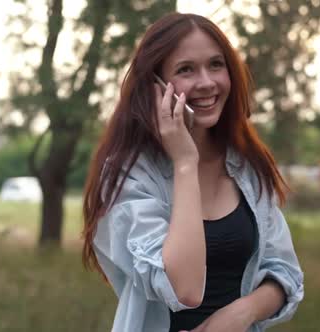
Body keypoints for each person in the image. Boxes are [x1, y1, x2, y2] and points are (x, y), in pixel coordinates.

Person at [81, 12, 303, 332]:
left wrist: (241, 313)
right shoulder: (129, 176)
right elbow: (184, 289)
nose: (206, 82)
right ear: (156, 86)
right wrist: (185, 162)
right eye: (186, 69)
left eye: (216, 64)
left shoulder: (246, 166)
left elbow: (285, 272)